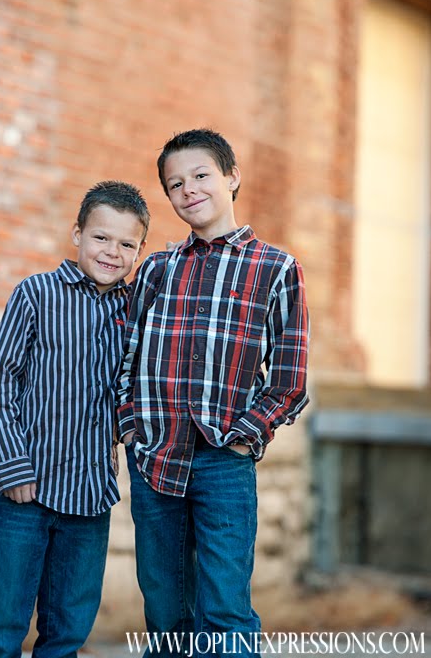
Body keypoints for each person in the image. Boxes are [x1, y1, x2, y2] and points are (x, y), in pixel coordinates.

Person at [117, 129, 309, 657]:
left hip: (224, 460)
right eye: (175, 184)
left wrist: (246, 437)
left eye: (201, 175)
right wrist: (130, 427)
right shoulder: (156, 269)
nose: (189, 190)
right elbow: (125, 356)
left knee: (224, 610)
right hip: (155, 457)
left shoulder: (275, 268)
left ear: (232, 177)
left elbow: (290, 377)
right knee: (165, 611)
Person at [0, 181, 149, 658]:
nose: (112, 252)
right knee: (0, 627)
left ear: (139, 251)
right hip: (25, 491)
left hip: (90, 498)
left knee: (68, 631)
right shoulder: (36, 294)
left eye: (126, 244)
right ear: (77, 234)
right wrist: (12, 467)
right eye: (101, 237)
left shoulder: (135, 310)